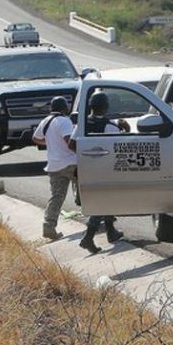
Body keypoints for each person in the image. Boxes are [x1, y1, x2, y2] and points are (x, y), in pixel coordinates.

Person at [70, 91, 126, 254]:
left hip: (86, 168)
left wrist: (85, 154)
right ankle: (88, 237)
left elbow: (71, 144)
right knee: (103, 201)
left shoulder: (82, 124)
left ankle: (111, 232)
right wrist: (124, 129)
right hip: (105, 168)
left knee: (104, 199)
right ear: (106, 107)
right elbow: (120, 146)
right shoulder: (110, 126)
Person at [32, 96, 76, 240]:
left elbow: (35, 138)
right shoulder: (64, 121)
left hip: (54, 166)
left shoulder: (46, 121)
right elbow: (69, 141)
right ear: (64, 108)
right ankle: (98, 218)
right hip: (70, 164)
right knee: (86, 188)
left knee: (57, 197)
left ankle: (49, 226)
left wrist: (50, 142)